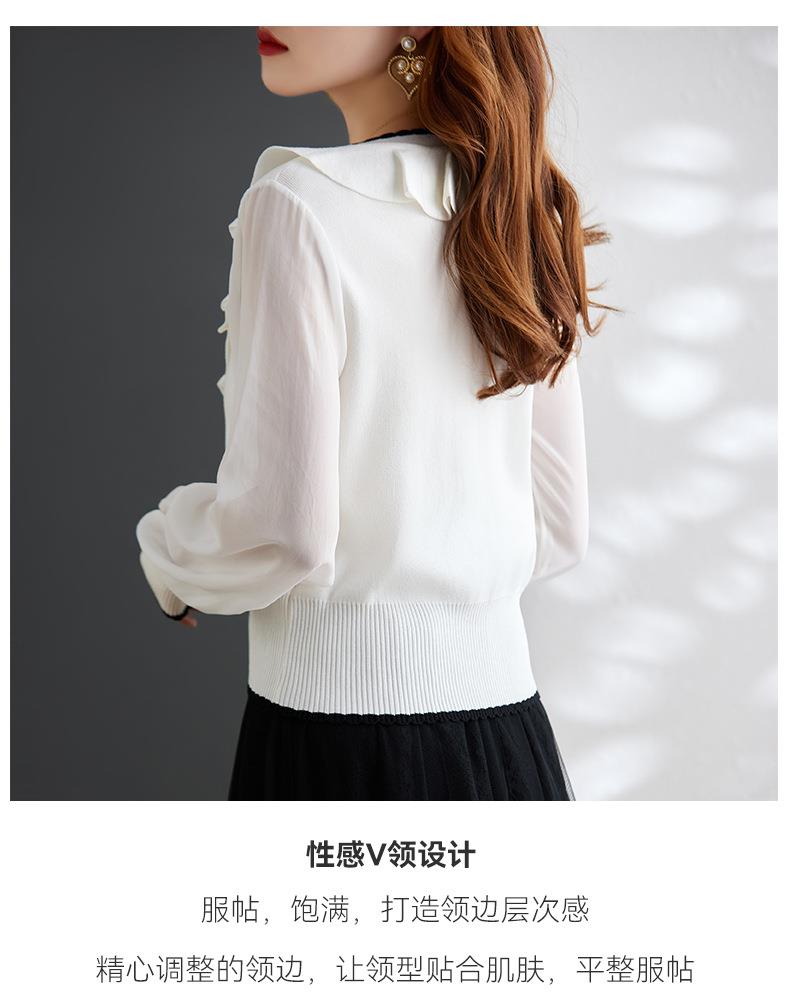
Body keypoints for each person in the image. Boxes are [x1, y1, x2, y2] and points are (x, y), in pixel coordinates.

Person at [135, 26, 607, 801]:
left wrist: (169, 552)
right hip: (508, 741)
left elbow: (283, 531)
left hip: (337, 745)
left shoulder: (297, 204)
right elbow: (560, 528)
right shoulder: (517, 207)